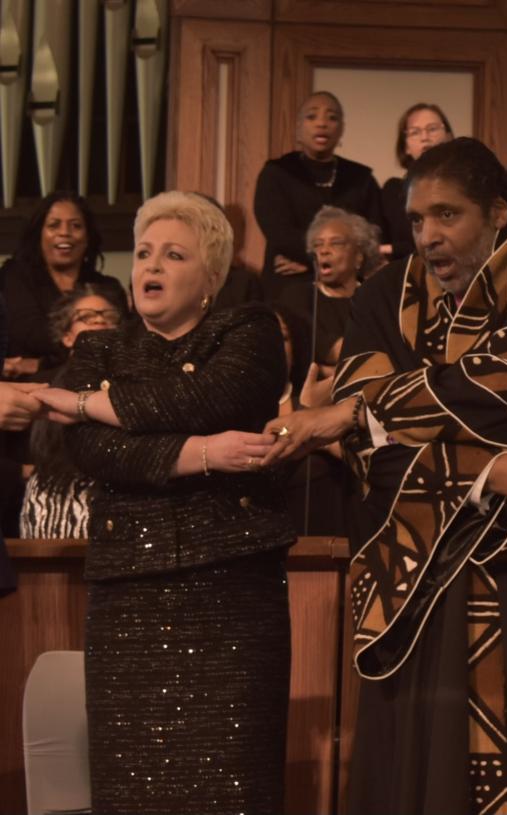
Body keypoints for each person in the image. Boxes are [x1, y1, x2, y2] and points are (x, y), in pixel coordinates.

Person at [262, 137, 507, 815]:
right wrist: (488, 468)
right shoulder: (387, 292)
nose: (428, 236)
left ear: (498, 212)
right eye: (416, 220)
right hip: (426, 578)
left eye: (448, 215)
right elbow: (367, 454)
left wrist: (362, 407)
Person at [34, 191, 293, 814]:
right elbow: (96, 453)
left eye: (173, 254)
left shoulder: (249, 331)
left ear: (212, 277)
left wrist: (83, 402)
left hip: (231, 592)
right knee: (132, 790)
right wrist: (200, 455)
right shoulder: (97, 350)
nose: (150, 265)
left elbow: (207, 398)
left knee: (233, 785)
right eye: (144, 252)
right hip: (128, 594)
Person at [18, 283, 124, 538]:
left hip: (122, 490)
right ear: (67, 336)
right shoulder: (44, 385)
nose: (99, 320)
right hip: (56, 494)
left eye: (107, 316)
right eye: (86, 316)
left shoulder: (137, 383)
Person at [253, 91, 387, 277]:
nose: (322, 123)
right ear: (298, 127)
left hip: (348, 279)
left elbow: (372, 235)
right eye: (311, 116)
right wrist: (317, 260)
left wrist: (318, 265)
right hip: (289, 278)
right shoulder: (277, 173)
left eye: (332, 118)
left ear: (341, 129)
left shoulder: (361, 178)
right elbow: (279, 233)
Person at [1, 192, 126, 380]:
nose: (65, 232)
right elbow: (30, 333)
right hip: (27, 387)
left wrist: (41, 364)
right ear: (39, 234)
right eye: (54, 225)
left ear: (88, 236)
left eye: (75, 226)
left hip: (98, 384)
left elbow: (121, 345)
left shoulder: (108, 287)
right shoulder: (15, 275)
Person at [272, 205, 376, 399]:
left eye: (335, 243)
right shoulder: (297, 296)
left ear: (359, 256)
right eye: (318, 245)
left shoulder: (375, 299)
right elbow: (309, 348)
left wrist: (332, 370)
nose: (324, 251)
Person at [382, 102, 455, 259]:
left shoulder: (463, 187)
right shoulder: (394, 190)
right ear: (406, 146)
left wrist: (394, 249)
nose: (425, 137)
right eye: (415, 132)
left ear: (448, 137)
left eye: (432, 129)